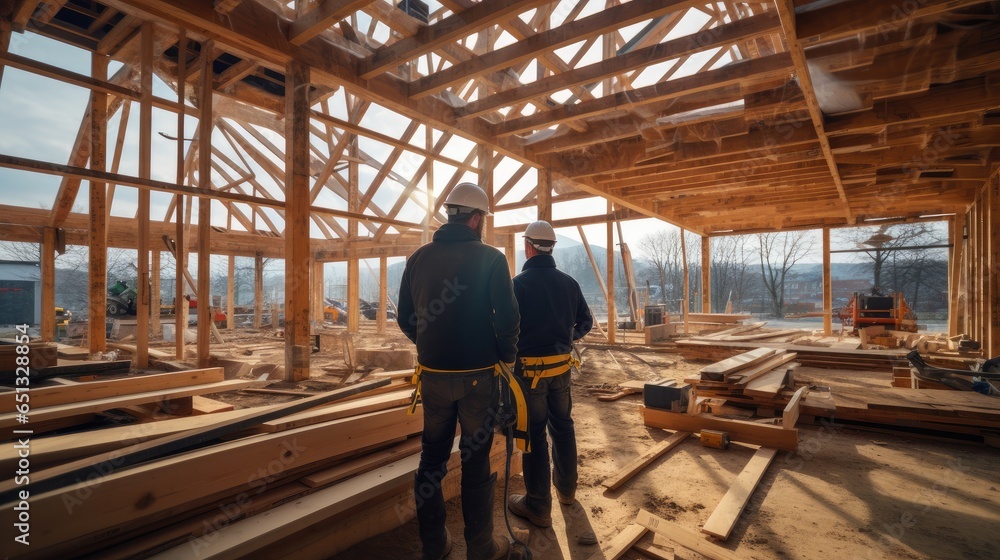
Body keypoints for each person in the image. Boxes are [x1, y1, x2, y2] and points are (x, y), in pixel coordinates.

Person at [397, 182, 522, 560]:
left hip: (432, 378)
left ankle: (435, 546)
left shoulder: (417, 258)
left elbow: (405, 318)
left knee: (431, 458)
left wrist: (429, 346)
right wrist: (506, 356)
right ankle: (481, 548)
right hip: (478, 378)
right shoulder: (491, 259)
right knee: (475, 459)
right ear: (476, 218)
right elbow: (509, 320)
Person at [506, 220, 593, 529]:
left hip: (529, 375)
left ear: (529, 247)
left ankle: (539, 506)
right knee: (563, 427)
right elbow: (586, 322)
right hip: (562, 370)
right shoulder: (569, 283)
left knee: (534, 435)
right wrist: (566, 339)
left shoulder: (518, 284)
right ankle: (567, 492)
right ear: (551, 247)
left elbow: (505, 329)